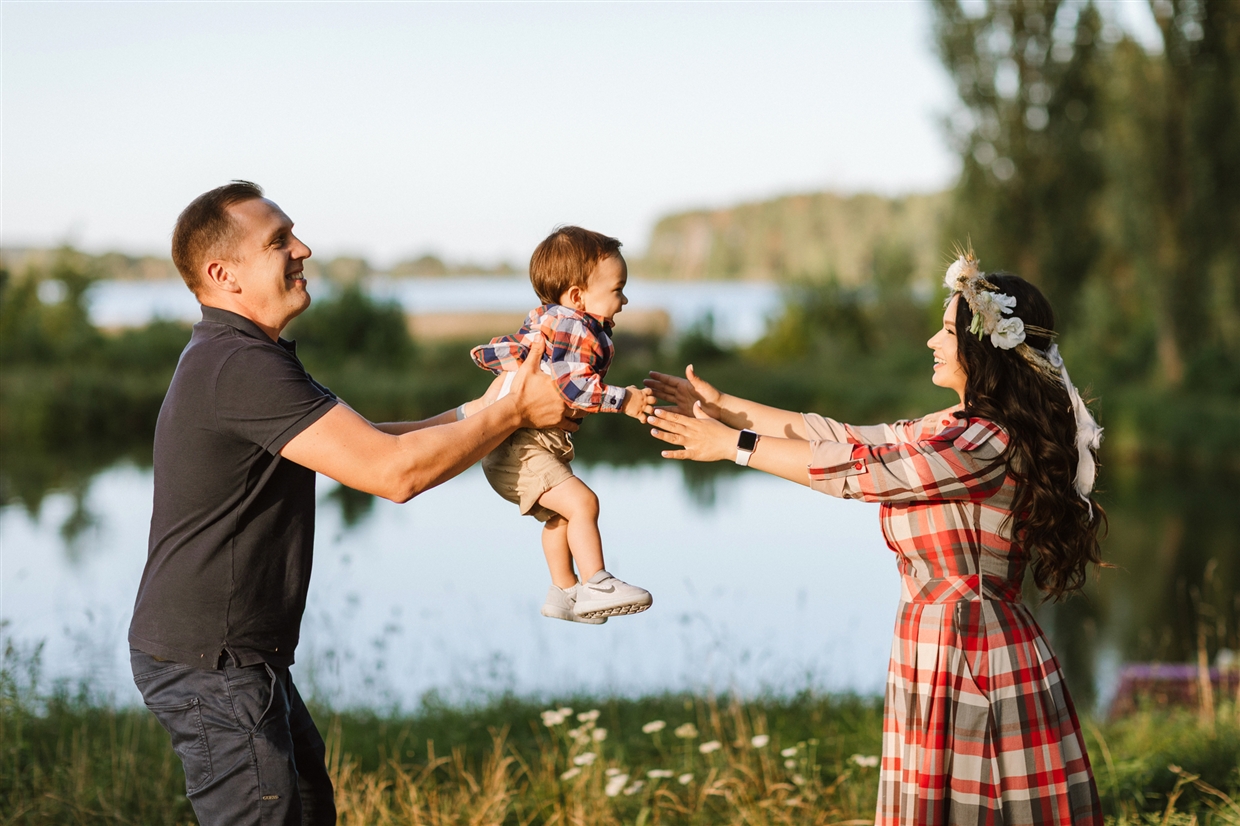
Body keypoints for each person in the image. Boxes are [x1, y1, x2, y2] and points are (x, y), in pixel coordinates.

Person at [128, 181, 575, 826]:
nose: (303, 249)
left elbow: (367, 442)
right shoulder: (239, 365)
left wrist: (487, 408)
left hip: (235, 656)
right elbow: (394, 474)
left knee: (309, 808)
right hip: (214, 662)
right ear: (223, 274)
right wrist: (511, 415)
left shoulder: (245, 353)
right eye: (279, 240)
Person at [645, 249, 1105, 824]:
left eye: (947, 331)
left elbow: (863, 471)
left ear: (986, 349)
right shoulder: (950, 427)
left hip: (975, 648)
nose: (933, 342)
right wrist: (723, 407)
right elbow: (840, 437)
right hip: (932, 638)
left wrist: (734, 447)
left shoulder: (987, 443)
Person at [468, 226, 655, 624]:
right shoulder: (572, 324)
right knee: (584, 503)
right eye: (617, 290)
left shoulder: (554, 321)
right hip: (521, 450)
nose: (624, 300)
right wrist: (625, 400)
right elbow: (576, 389)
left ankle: (564, 593)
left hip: (515, 450)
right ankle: (597, 582)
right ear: (577, 296)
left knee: (563, 517)